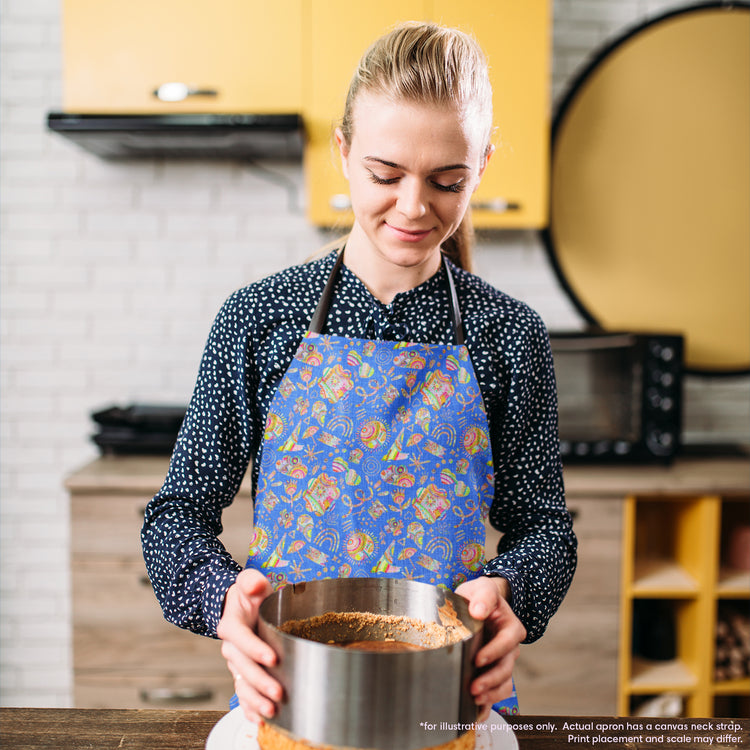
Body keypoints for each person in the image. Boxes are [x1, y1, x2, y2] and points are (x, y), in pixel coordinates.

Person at [141, 20, 577, 725]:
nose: (413, 206)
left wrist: (515, 594)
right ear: (342, 155)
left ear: (483, 167)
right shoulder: (260, 317)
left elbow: (545, 530)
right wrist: (224, 601)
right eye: (385, 174)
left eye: (447, 181)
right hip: (292, 696)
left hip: (449, 698)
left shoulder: (509, 336)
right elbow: (175, 519)